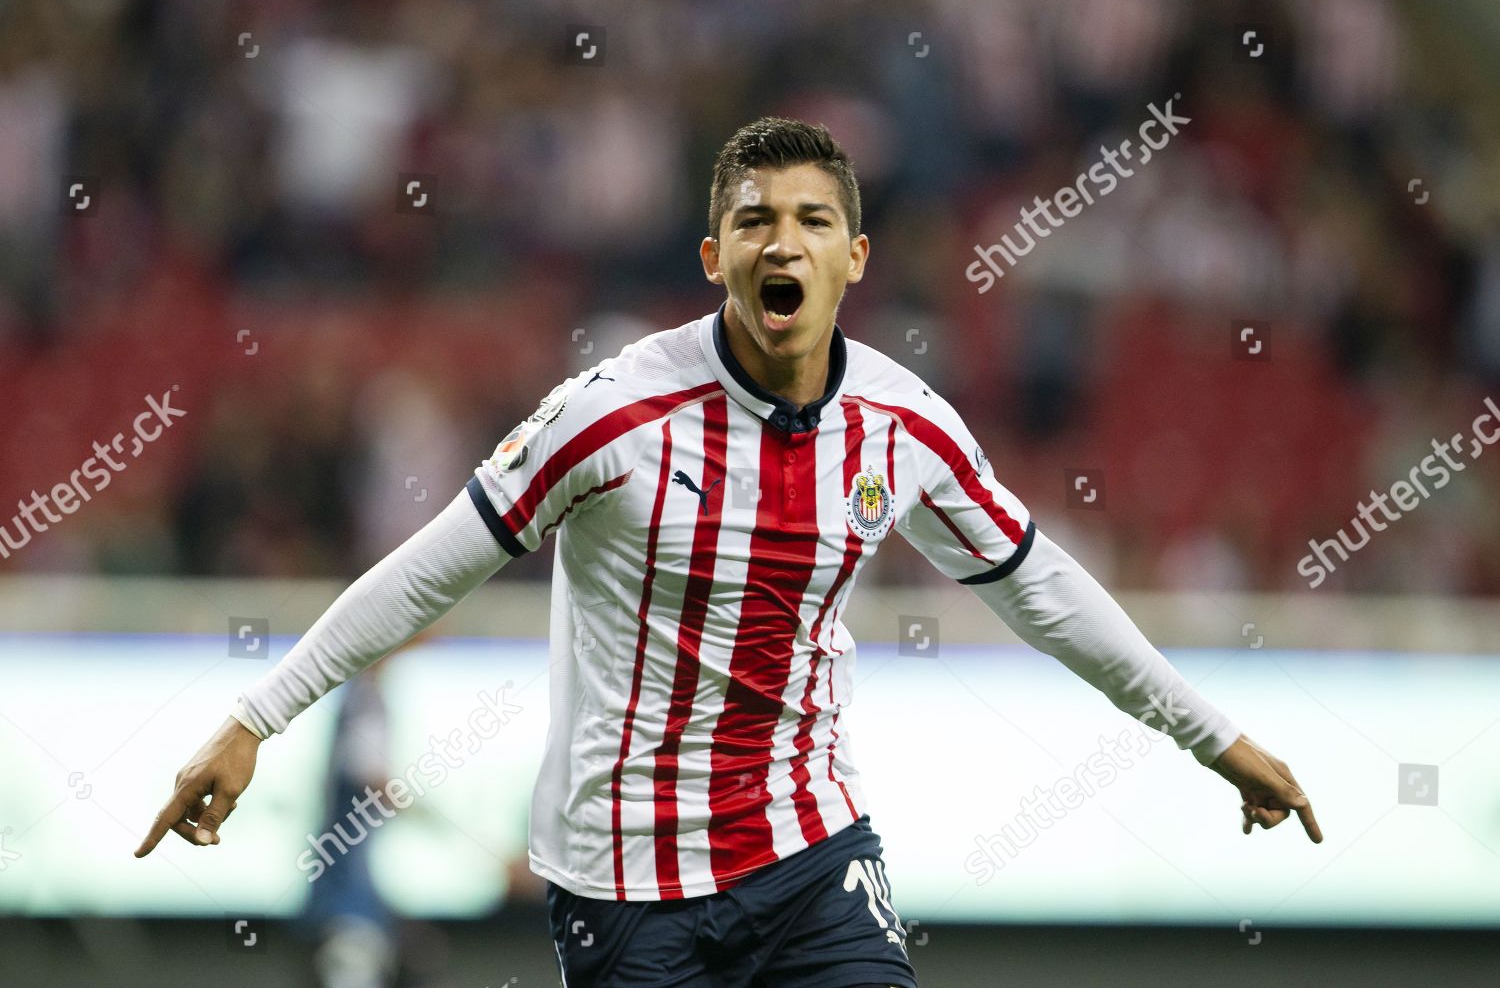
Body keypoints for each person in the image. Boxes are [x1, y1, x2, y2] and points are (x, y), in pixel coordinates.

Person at [136, 116, 1321, 988]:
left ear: (855, 259)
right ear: (715, 257)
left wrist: (1212, 736)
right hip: (623, 881)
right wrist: (255, 718)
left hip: (811, 849)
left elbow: (1043, 589)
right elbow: (432, 566)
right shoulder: (610, 415)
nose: (782, 241)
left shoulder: (903, 427)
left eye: (813, 220)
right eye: (754, 219)